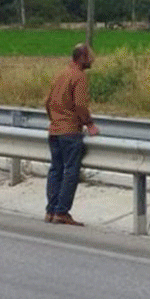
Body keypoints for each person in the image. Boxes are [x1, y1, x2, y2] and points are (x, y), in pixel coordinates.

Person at [44, 43, 100, 226]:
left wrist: (55, 120)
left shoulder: (60, 74)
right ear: (82, 57)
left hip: (55, 131)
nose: (92, 59)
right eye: (90, 56)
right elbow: (80, 105)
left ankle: (51, 210)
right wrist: (89, 124)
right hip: (70, 131)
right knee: (70, 171)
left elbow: (47, 101)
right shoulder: (79, 77)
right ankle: (62, 212)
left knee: (55, 170)